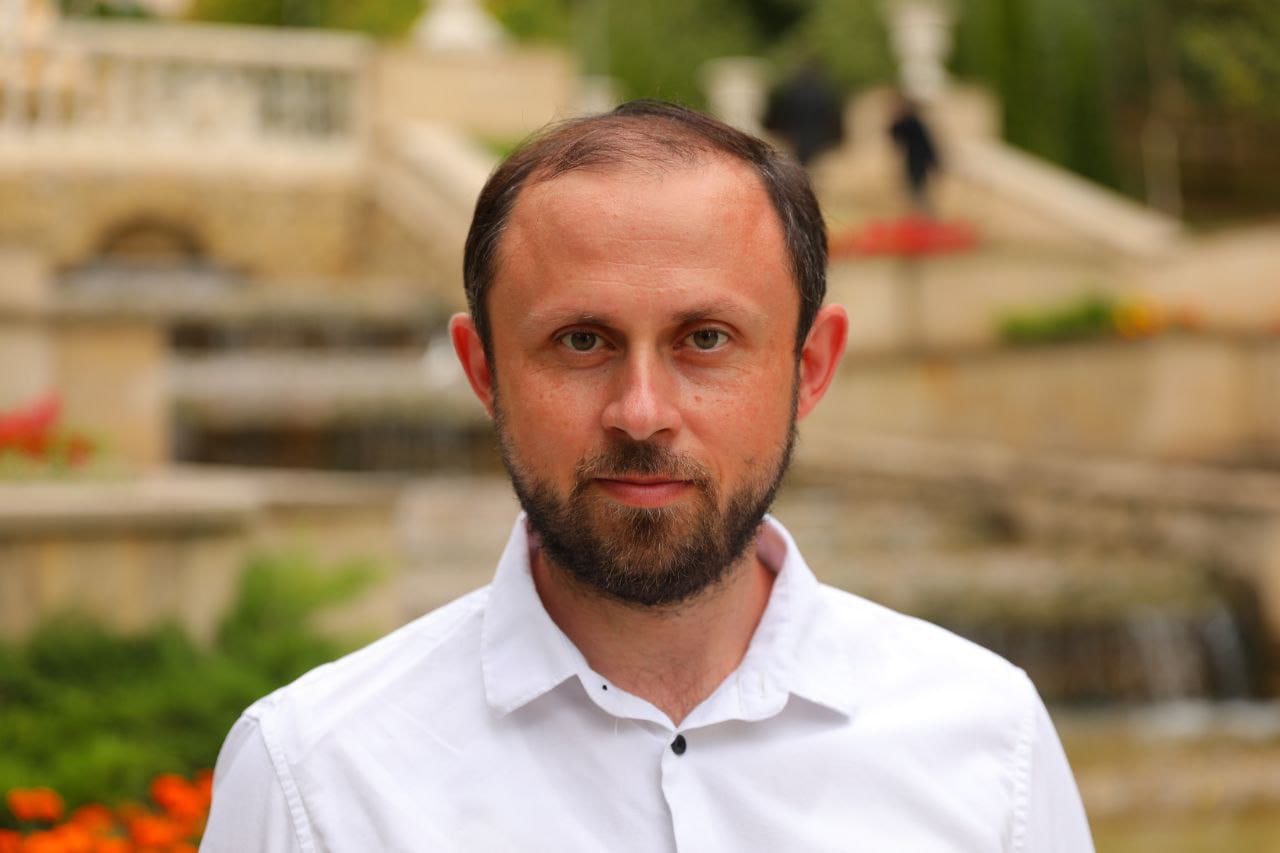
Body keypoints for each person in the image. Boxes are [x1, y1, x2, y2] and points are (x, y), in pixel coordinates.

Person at [201, 101, 1093, 852]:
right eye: (581, 341)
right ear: (483, 371)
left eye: (705, 339)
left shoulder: (993, 742)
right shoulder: (313, 777)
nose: (641, 411)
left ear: (811, 367)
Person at [762, 60, 845, 167]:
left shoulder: (789, 90)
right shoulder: (828, 92)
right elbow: (834, 117)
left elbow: (776, 116)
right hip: (819, 139)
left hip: (794, 138)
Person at [889, 92, 942, 215]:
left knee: (918, 190)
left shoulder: (912, 123)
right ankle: (920, 213)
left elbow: (927, 145)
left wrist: (934, 162)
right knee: (916, 190)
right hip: (915, 160)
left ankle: (922, 214)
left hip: (917, 161)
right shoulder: (912, 123)